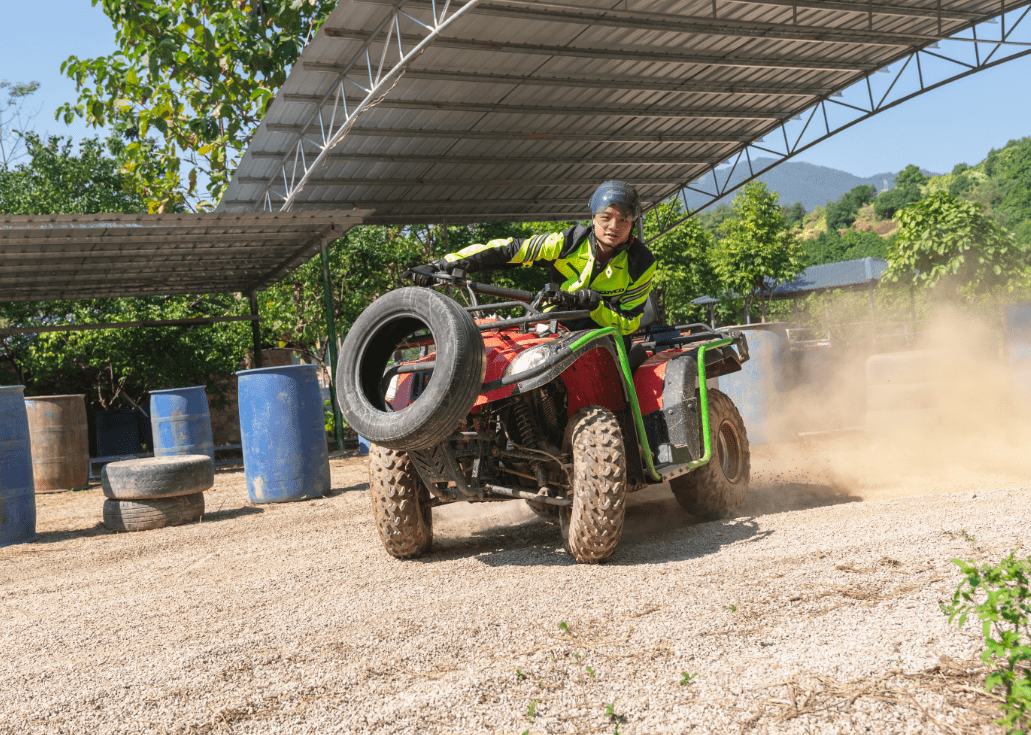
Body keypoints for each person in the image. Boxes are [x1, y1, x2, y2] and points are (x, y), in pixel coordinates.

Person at [411, 180, 656, 337]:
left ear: (633, 223)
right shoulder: (567, 242)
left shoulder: (642, 264)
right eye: (606, 217)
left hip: (603, 334)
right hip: (552, 326)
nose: (614, 226)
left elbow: (630, 323)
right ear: (593, 217)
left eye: (623, 219)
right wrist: (441, 266)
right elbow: (509, 250)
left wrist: (597, 307)